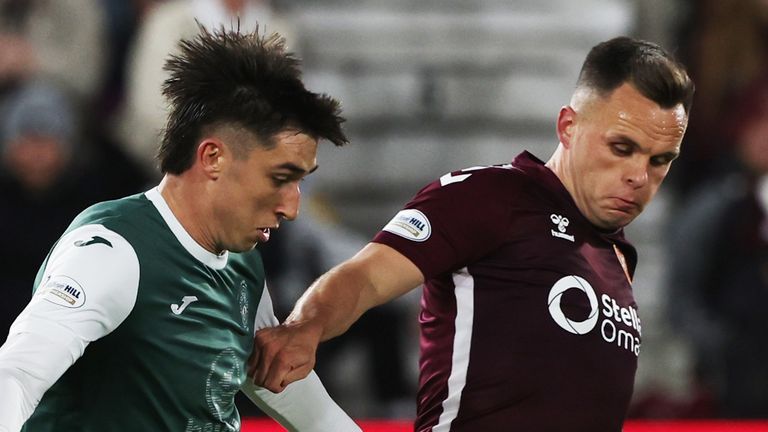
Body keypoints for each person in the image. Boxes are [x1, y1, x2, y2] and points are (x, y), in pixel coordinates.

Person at [251, 36, 694, 431]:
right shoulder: (491, 195)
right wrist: (305, 327)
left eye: (660, 160)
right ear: (568, 127)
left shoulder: (619, 257)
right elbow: (365, 276)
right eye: (622, 148)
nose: (640, 176)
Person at [0, 26, 360, 432]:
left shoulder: (241, 266)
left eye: (300, 183)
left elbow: (311, 411)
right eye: (280, 178)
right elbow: (16, 375)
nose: (292, 208)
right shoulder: (112, 250)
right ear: (212, 157)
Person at [666, 76, 768, 418]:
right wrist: (723, 348)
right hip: (731, 381)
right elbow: (683, 295)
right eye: (759, 124)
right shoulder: (715, 203)